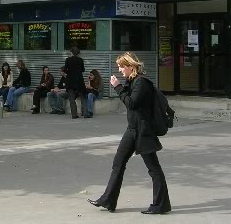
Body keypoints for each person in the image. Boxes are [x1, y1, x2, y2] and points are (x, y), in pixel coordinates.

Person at [88, 52, 171, 215]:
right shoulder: (132, 81)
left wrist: (118, 87)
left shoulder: (141, 83)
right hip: (132, 129)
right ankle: (108, 200)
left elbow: (131, 103)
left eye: (121, 66)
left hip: (143, 130)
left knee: (153, 168)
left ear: (130, 66)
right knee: (118, 162)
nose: (119, 70)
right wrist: (122, 85)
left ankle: (161, 205)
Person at [64, 46, 89, 119]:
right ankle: (85, 113)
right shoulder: (80, 60)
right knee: (83, 97)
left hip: (70, 81)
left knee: (71, 99)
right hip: (79, 81)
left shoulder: (68, 60)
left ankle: (74, 114)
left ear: (71, 52)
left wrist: (69, 71)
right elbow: (83, 69)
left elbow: (65, 70)